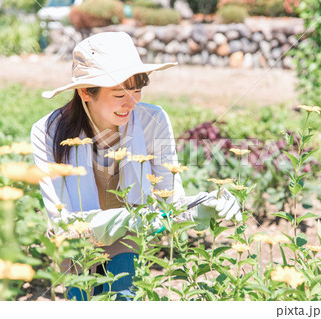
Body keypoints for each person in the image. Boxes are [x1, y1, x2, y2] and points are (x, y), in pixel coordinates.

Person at [31, 32, 242, 301]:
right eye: (119, 93)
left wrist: (201, 206)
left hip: (130, 238)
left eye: (137, 90)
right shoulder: (48, 132)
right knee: (82, 297)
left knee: (123, 295)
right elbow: (64, 222)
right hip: (77, 245)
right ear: (85, 92)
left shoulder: (152, 120)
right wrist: (137, 218)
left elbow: (170, 201)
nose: (132, 103)